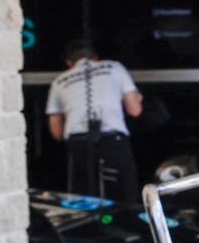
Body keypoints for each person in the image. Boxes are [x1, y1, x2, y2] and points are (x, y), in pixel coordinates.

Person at [46, 39, 143, 203]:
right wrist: (138, 98)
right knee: (124, 196)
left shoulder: (59, 81)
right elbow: (135, 110)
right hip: (113, 141)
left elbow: (56, 132)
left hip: (78, 144)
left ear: (69, 63)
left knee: (83, 199)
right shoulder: (114, 67)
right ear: (96, 58)